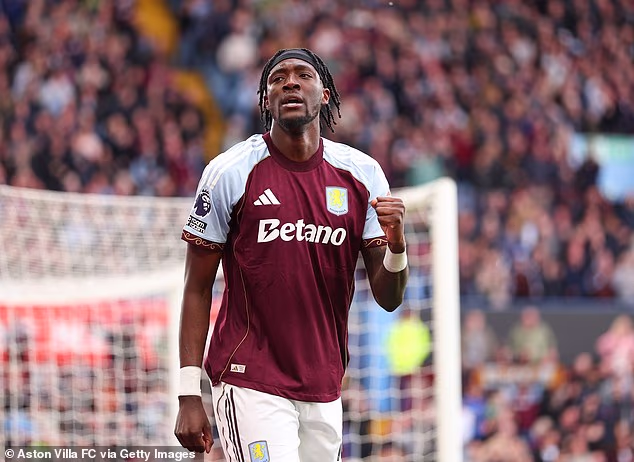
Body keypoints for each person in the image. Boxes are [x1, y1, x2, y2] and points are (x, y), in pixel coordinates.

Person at [173, 48, 409, 462]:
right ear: (266, 100)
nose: (290, 83)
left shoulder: (362, 174)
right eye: (278, 79)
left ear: (325, 94)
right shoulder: (231, 171)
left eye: (303, 75)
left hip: (325, 385)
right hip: (250, 377)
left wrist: (397, 245)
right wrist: (188, 394)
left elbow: (389, 297)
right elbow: (196, 287)